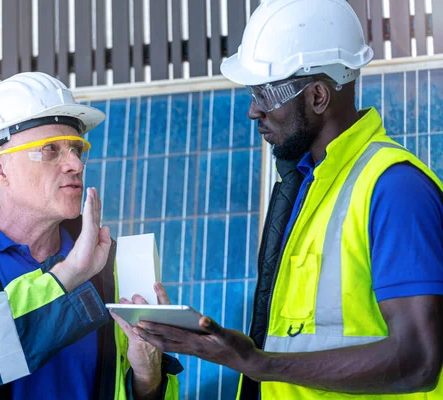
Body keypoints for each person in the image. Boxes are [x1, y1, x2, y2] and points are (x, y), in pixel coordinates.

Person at [133, 0, 443, 398]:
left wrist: (259, 364)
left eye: (265, 93)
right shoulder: (307, 187)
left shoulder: (394, 189)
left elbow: (418, 360)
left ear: (317, 96)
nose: (252, 110)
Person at [0, 72, 182, 399]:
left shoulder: (118, 268)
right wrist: (69, 275)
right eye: (50, 150)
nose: (75, 164)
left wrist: (148, 375)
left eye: (77, 149)